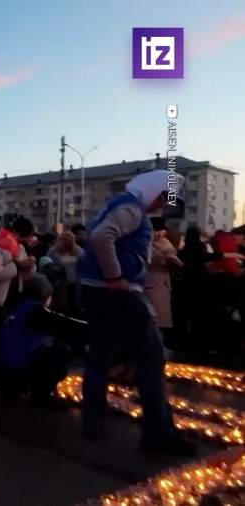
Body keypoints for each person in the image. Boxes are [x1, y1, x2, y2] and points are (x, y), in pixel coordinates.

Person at [80, 169, 195, 454]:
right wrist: (115, 276)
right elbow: (100, 237)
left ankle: (91, 420)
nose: (161, 206)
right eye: (163, 198)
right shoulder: (131, 208)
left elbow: (120, 245)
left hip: (97, 292)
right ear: (154, 190)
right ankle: (159, 434)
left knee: (99, 356)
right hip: (119, 294)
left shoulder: (119, 204)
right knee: (151, 357)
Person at [0, 274, 85, 404]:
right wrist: (92, 327)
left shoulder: (17, 307)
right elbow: (64, 323)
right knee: (60, 350)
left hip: (1, 370)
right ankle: (41, 395)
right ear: (43, 293)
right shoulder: (36, 310)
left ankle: (15, 389)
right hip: (16, 369)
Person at [143, 218, 183, 351]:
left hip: (164, 283)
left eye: (162, 230)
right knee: (153, 319)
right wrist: (163, 254)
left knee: (162, 320)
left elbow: (174, 259)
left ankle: (158, 347)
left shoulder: (165, 243)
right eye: (156, 230)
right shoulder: (145, 243)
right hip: (151, 283)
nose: (159, 234)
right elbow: (147, 261)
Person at [47, 232, 85, 315]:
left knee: (74, 303)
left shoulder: (79, 251)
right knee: (61, 304)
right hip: (59, 281)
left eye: (69, 241)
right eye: (65, 241)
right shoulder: (53, 251)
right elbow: (47, 264)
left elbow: (85, 265)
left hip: (75, 281)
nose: (67, 243)